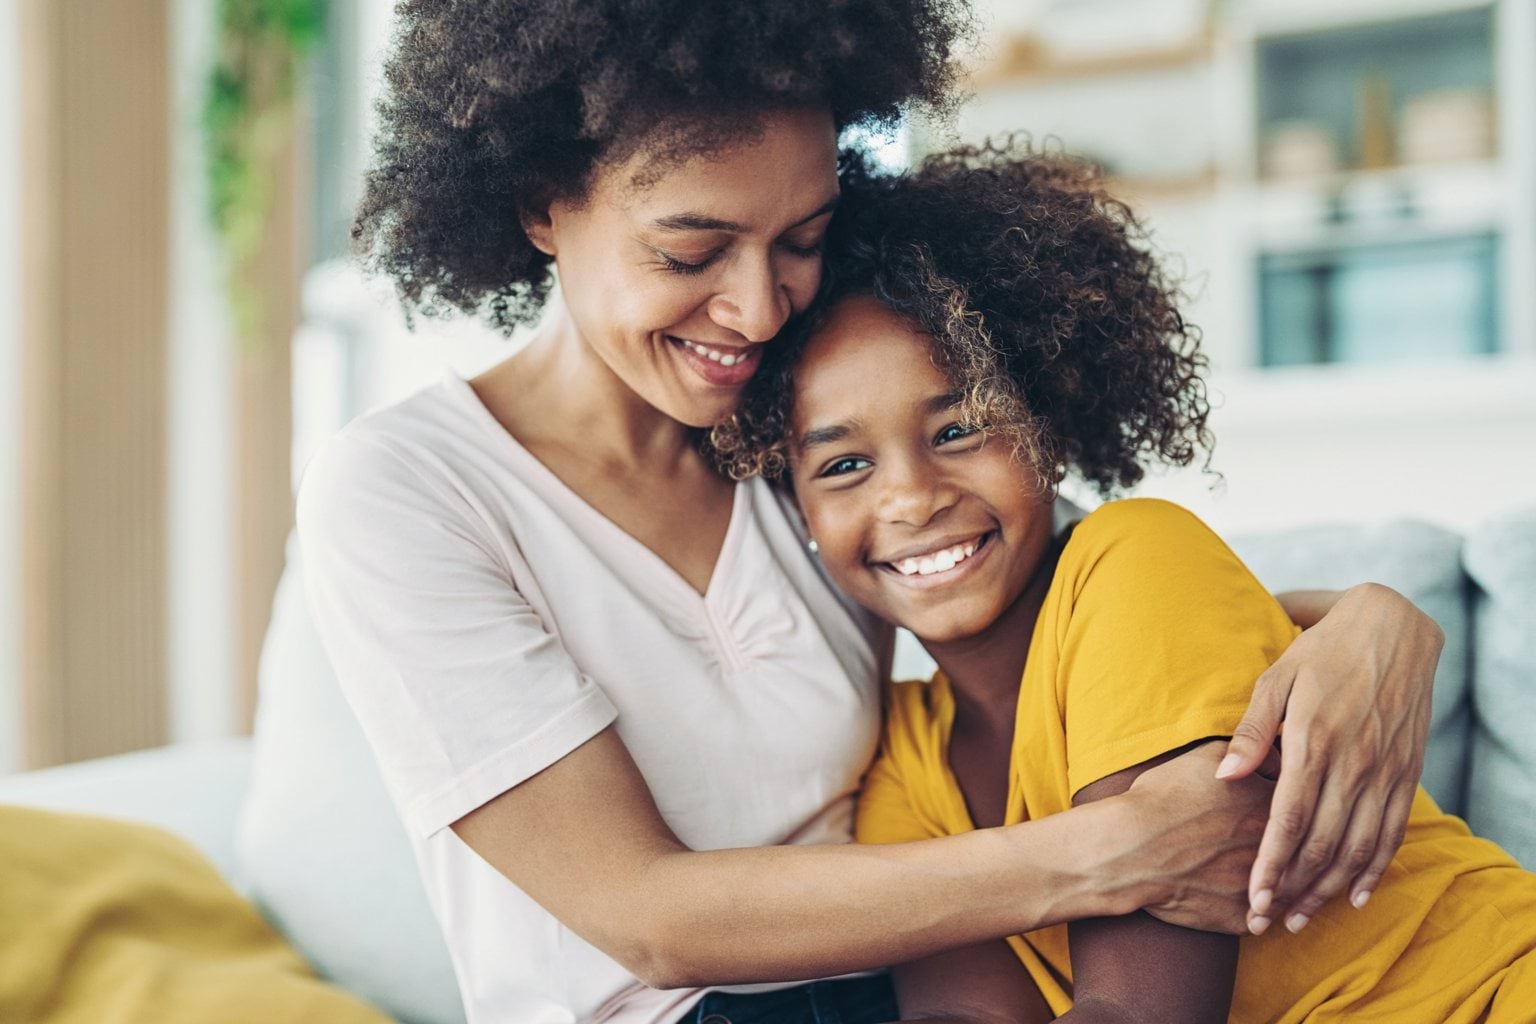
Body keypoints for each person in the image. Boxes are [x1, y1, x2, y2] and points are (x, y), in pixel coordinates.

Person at [297, 4, 1445, 1023]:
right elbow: (643, 914)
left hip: (920, 980)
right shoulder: (409, 488)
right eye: (692, 250)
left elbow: (1091, 604)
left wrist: (1372, 623)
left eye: (801, 241)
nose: (755, 310)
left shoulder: (804, 435)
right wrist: (1114, 855)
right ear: (543, 205)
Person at [718, 141, 1536, 1022]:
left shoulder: (1136, 563)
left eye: (959, 430)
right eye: (842, 465)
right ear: (792, 503)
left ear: (1049, 430)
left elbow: (1142, 1015)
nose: (911, 497)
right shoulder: (906, 767)